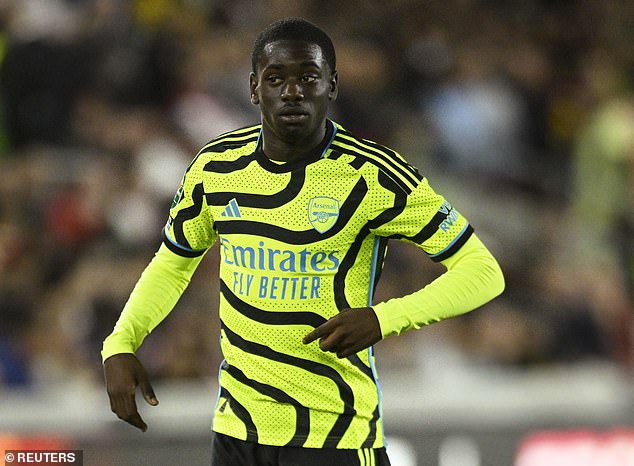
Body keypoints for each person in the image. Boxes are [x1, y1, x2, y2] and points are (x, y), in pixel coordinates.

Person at [102, 17, 505, 466]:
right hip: (237, 434)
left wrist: (384, 318)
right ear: (254, 88)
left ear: (332, 86)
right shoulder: (215, 167)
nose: (291, 92)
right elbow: (174, 262)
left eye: (308, 78)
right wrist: (121, 341)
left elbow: (483, 271)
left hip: (336, 436)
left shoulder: (374, 175)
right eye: (276, 79)